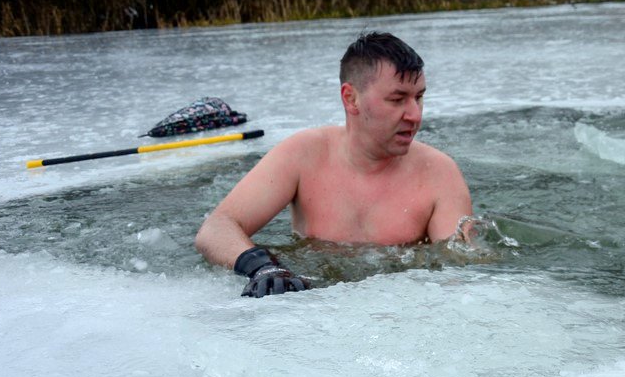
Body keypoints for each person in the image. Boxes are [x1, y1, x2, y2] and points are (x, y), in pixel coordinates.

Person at [195, 32, 473, 297]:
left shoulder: (439, 174)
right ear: (351, 98)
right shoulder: (304, 154)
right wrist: (263, 267)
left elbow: (458, 277)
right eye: (397, 99)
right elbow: (216, 229)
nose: (415, 115)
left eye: (419, 97)